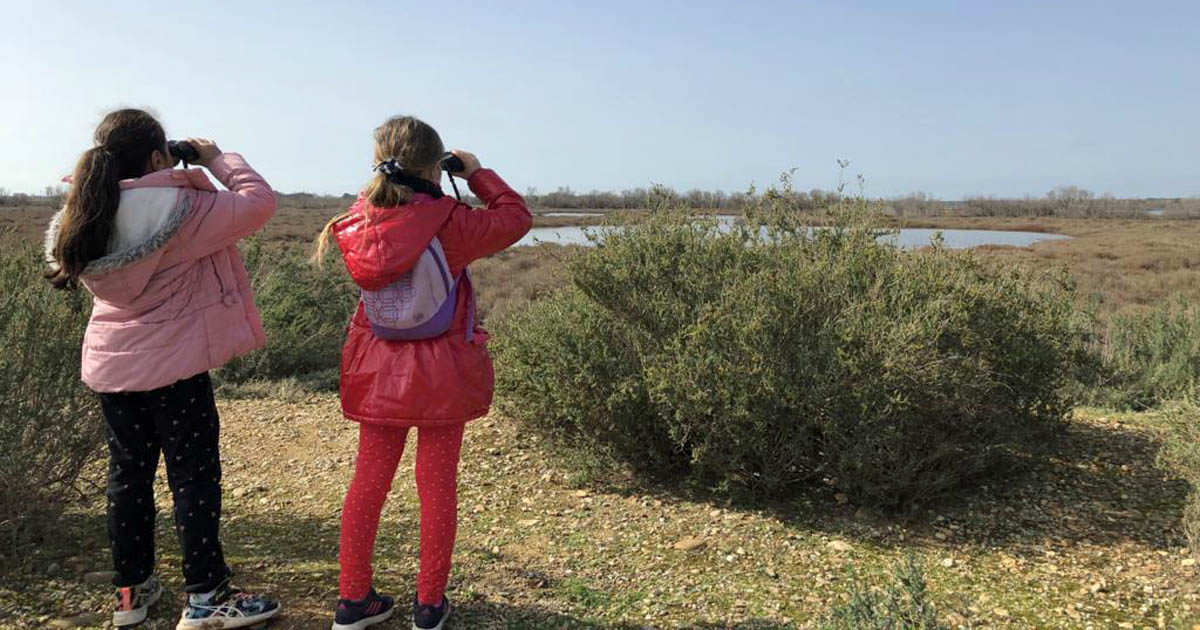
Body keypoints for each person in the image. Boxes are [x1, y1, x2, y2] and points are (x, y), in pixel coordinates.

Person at [44, 108, 281, 629]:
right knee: (193, 477)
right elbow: (259, 204)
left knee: (127, 478)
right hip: (175, 366)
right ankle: (205, 596)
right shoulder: (183, 209)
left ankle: (131, 596)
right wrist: (217, 158)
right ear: (157, 156)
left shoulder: (85, 209)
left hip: (113, 366)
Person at [314, 115, 531, 630]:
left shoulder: (357, 223)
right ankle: (429, 604)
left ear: (377, 163)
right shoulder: (450, 221)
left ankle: (353, 600)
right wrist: (477, 174)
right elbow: (516, 218)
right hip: (441, 372)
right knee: (436, 486)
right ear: (436, 167)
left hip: (377, 370)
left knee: (368, 481)